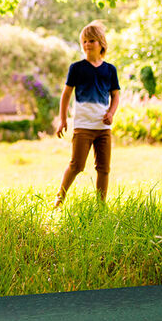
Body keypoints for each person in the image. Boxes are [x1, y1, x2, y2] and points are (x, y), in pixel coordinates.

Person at [53, 21, 121, 207]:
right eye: (84, 41)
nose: (87, 44)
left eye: (91, 40)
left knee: (104, 168)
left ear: (101, 44)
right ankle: (59, 200)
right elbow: (66, 94)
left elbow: (115, 95)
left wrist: (111, 113)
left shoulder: (110, 70)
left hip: (103, 128)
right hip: (83, 126)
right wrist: (62, 120)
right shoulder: (77, 68)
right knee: (77, 165)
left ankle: (101, 206)